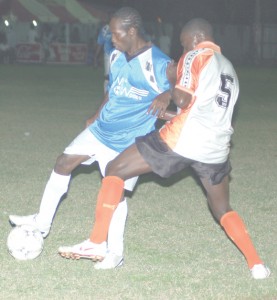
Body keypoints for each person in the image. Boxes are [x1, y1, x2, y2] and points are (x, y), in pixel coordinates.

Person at [58, 18, 270, 279]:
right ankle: (257, 264)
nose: (182, 51)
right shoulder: (228, 68)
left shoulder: (194, 55)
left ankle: (97, 241)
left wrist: (172, 80)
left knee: (115, 169)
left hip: (184, 140)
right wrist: (166, 114)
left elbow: (181, 97)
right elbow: (197, 111)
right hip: (216, 148)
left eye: (182, 45)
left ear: (193, 39)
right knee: (222, 208)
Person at [9, 7, 174, 270]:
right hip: (100, 130)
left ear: (132, 31)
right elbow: (113, 90)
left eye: (116, 34)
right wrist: (96, 114)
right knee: (63, 163)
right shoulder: (119, 55)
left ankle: (115, 253)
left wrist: (168, 94)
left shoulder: (161, 63)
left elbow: (187, 87)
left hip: (127, 142)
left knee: (115, 193)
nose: (112, 39)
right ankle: (41, 223)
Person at [93, 17, 114, 93]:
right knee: (107, 77)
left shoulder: (120, 27)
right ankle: (106, 95)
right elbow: (100, 43)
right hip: (108, 55)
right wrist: (96, 56)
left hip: (120, 55)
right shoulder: (105, 29)